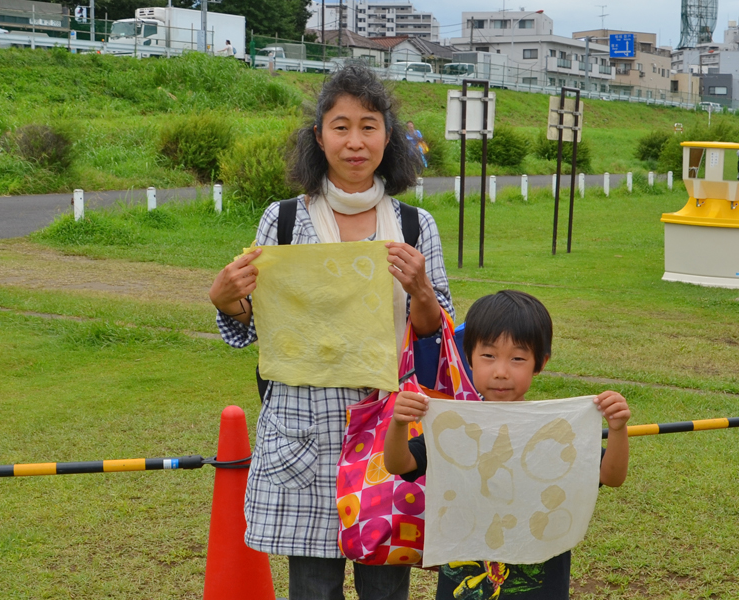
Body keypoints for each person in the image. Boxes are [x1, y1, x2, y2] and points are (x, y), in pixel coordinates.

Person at [208, 63, 449, 600]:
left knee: (385, 583)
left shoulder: (414, 226)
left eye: (369, 125)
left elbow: (436, 342)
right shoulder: (286, 220)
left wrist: (422, 293)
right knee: (313, 588)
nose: (355, 141)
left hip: (389, 429)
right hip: (304, 427)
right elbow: (255, 329)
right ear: (319, 136)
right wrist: (230, 303)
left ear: (389, 136)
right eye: (341, 126)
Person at [383, 290, 631, 600]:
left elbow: (612, 476)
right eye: (488, 356)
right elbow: (398, 463)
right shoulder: (456, 427)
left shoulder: (553, 433)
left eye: (517, 358)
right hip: (462, 586)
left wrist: (618, 429)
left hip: (540, 586)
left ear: (539, 363)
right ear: (468, 357)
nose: (501, 371)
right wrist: (399, 423)